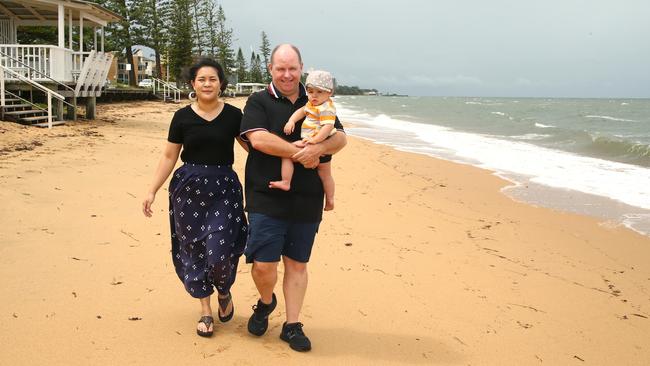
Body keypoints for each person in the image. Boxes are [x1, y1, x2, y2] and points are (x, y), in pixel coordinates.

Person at [240, 44, 347, 352]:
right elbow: (258, 139)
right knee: (264, 265)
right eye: (280, 69)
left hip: (307, 197)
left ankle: (292, 325)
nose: (287, 75)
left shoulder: (315, 97)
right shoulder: (258, 100)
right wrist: (303, 152)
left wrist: (321, 148)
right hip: (266, 193)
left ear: (301, 68)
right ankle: (265, 302)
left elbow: (339, 137)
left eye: (292, 68)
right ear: (271, 71)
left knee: (297, 263)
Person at [142, 58, 248, 338]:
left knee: (219, 250)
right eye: (202, 79)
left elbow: (254, 147)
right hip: (188, 191)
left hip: (224, 189)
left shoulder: (234, 116)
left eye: (213, 79)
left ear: (221, 83)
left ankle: (224, 290)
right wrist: (152, 190)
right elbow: (169, 156)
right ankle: (205, 311)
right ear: (193, 84)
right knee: (194, 251)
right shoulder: (182, 117)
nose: (207, 84)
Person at [269, 70, 337, 211]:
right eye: (311, 91)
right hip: (312, 140)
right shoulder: (311, 104)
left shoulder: (326, 108)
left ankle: (330, 199)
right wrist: (291, 121)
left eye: (319, 92)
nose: (314, 96)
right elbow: (301, 112)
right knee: (324, 174)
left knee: (324, 174)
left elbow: (328, 126)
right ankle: (287, 182)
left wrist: (315, 141)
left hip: (318, 141)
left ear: (329, 93)